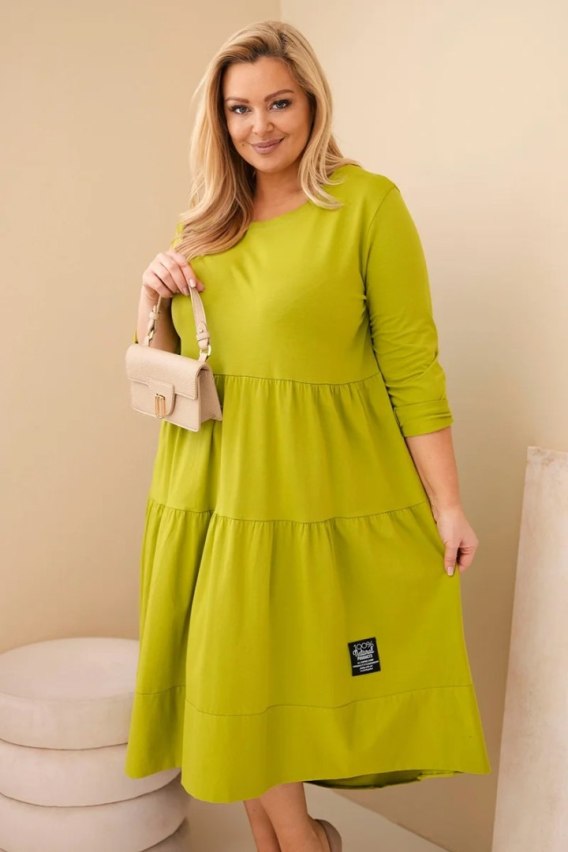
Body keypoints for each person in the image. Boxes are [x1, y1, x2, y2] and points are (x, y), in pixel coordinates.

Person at [123, 19, 491, 852]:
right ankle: (299, 842)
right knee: (234, 686)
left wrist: (448, 504)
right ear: (219, 119)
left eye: (279, 103)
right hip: (211, 487)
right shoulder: (204, 222)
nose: (260, 126)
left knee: (274, 680)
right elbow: (164, 375)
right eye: (240, 108)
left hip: (314, 487)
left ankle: (299, 844)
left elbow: (412, 366)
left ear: (313, 103)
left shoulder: (366, 205)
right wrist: (150, 295)